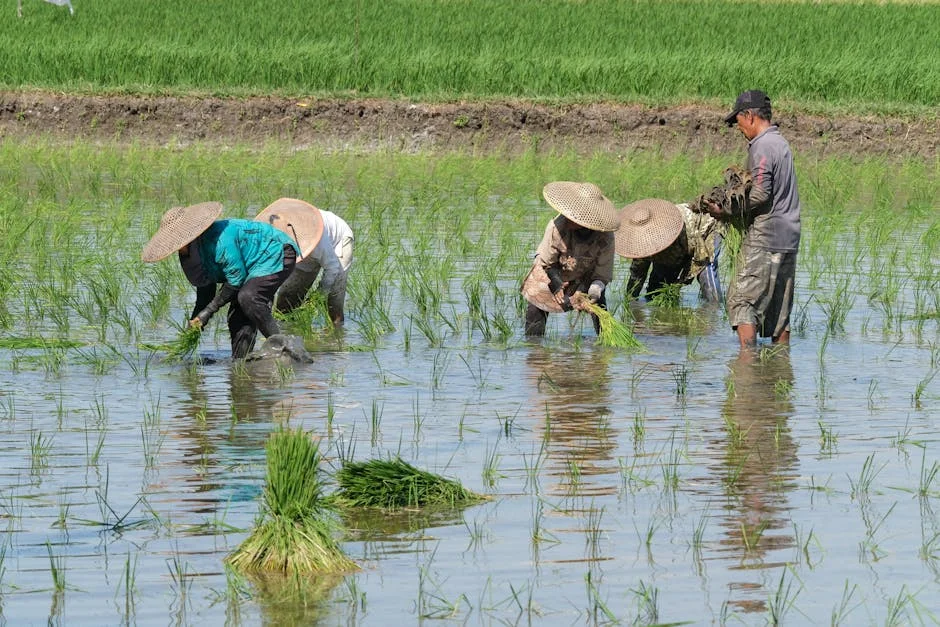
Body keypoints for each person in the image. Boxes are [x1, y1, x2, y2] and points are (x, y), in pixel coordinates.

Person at [704, 90, 802, 348]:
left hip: (765, 236)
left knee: (741, 300)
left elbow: (759, 193)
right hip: (789, 238)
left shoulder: (762, 146)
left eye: (738, 121)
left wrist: (725, 209)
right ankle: (779, 365)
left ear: (749, 116)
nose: (739, 128)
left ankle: (746, 363)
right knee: (779, 312)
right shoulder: (781, 143)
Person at [141, 202, 300, 358]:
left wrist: (208, 311)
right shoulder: (192, 253)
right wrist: (196, 321)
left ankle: (286, 348)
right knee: (237, 317)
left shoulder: (220, 240)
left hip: (275, 250)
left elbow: (236, 279)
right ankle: (241, 363)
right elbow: (206, 289)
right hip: (248, 266)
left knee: (249, 297)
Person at [521, 182, 620, 336]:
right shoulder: (557, 227)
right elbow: (545, 263)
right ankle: (535, 346)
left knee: (599, 307)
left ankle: (605, 344)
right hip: (553, 272)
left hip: (586, 276)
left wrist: (593, 292)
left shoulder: (605, 237)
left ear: (584, 220)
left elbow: (602, 275)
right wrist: (556, 283)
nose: (567, 216)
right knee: (536, 306)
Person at [256, 197, 354, 326]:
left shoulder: (319, 243)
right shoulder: (273, 238)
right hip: (303, 246)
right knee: (287, 300)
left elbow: (333, 267)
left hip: (338, 241)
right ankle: (287, 331)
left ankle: (335, 334)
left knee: (333, 300)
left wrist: (319, 294)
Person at [616, 198, 725, 303]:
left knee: (706, 271)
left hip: (706, 228)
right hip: (676, 248)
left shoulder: (671, 228)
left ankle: (714, 307)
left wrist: (683, 278)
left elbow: (696, 257)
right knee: (655, 293)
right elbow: (637, 272)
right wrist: (631, 300)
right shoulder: (640, 242)